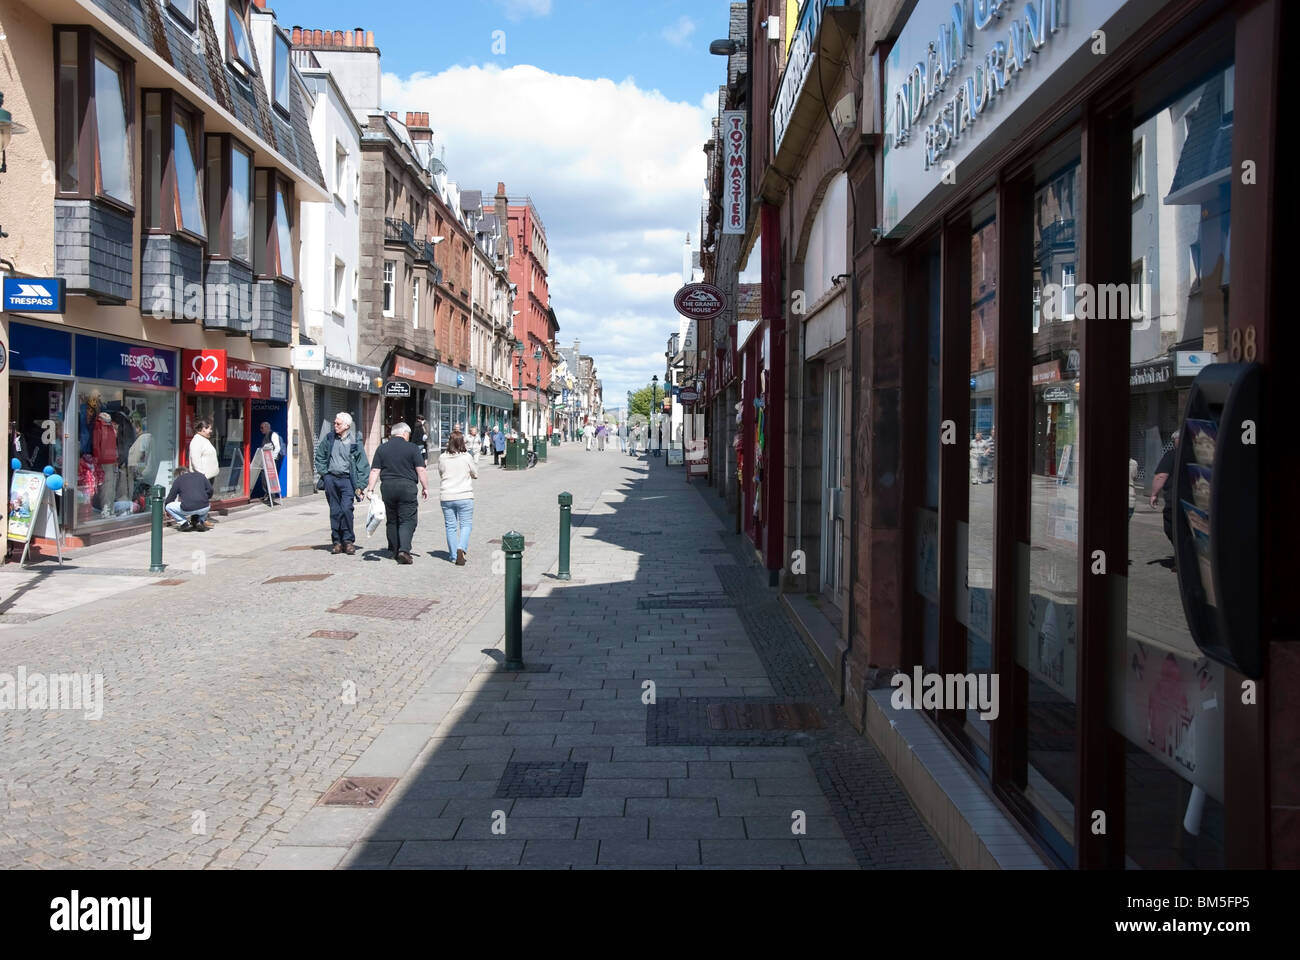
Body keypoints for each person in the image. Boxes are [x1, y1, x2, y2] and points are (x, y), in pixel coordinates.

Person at [364, 422, 429, 565]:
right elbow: (421, 469)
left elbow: (375, 470)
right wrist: (425, 487)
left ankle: (393, 550)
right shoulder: (412, 448)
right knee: (408, 519)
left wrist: (370, 490)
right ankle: (404, 550)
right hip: (407, 487)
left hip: (388, 487)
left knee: (392, 519)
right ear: (405, 433)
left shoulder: (382, 448)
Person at [314, 412, 370, 555]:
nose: (335, 425)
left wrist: (361, 485)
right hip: (331, 479)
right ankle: (337, 542)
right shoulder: (329, 438)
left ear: (347, 426)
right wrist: (325, 474)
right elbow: (319, 456)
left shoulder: (354, 441)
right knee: (335, 511)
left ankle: (348, 540)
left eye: (338, 424)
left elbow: (362, 464)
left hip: (347, 480)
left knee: (346, 509)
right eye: (335, 423)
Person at [438, 430, 478, 565]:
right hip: (464, 495)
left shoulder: (443, 457)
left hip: (447, 496)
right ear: (462, 442)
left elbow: (441, 472)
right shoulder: (466, 457)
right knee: (466, 524)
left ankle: (454, 555)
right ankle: (461, 547)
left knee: (450, 527)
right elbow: (475, 473)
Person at [1149, 433, 1179, 546]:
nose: (1172, 442)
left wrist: (1154, 494)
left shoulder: (1173, 454)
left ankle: (1182, 555)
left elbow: (1161, 475)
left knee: (1171, 528)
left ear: (1177, 440)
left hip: (1175, 499)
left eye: (1173, 440)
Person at [163, 464, 213, 532]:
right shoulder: (200, 475)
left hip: (188, 508)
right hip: (204, 507)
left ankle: (184, 523)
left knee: (168, 506)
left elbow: (171, 497)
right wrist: (204, 498)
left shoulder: (178, 480)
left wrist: (166, 510)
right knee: (204, 504)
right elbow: (210, 490)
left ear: (180, 474)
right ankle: (200, 521)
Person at [250, 421, 283, 505]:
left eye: (262, 428)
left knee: (270, 478)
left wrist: (273, 458)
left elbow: (277, 447)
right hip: (265, 461)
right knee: (264, 478)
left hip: (271, 461)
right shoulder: (265, 437)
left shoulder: (273, 435)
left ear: (267, 427)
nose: (261, 430)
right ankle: (268, 494)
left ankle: (271, 495)